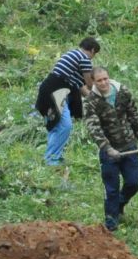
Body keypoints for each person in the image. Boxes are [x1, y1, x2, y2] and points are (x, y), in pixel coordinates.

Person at [83, 67, 138, 232]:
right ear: (93, 82)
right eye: (99, 80)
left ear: (109, 78)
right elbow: (94, 127)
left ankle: (120, 204)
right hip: (109, 152)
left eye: (105, 78)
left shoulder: (122, 92)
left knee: (133, 183)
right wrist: (107, 148)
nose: (103, 83)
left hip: (129, 145)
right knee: (111, 187)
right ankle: (111, 219)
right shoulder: (90, 101)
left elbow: (134, 115)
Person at [36, 37, 100, 167]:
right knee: (65, 125)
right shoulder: (84, 59)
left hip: (47, 88)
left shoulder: (72, 55)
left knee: (55, 126)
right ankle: (51, 160)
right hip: (56, 91)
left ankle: (51, 157)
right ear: (93, 50)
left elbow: (81, 87)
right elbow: (88, 84)